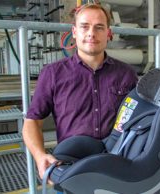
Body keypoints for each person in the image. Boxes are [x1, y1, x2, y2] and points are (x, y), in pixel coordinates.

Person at [22, 4, 138, 181]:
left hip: (116, 167)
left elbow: (139, 121)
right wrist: (40, 156)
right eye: (85, 26)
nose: (91, 33)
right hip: (72, 169)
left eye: (99, 27)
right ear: (74, 32)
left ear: (109, 33)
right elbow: (32, 122)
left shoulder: (126, 74)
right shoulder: (53, 74)